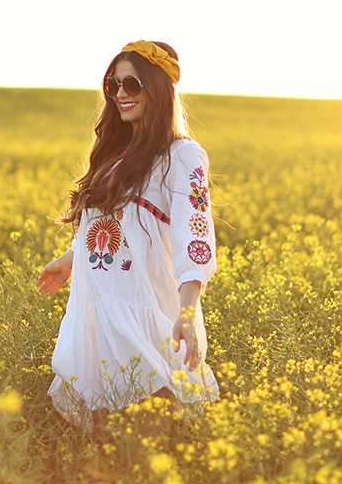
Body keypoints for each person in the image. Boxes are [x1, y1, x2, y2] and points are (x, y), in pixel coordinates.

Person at [37, 40, 219, 432]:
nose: (120, 94)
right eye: (112, 85)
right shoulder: (114, 155)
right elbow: (106, 223)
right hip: (99, 308)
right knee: (105, 442)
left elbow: (196, 237)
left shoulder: (182, 156)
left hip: (143, 312)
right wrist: (70, 259)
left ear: (157, 88)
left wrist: (187, 313)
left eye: (131, 84)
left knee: (145, 437)